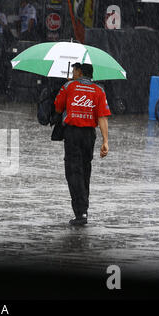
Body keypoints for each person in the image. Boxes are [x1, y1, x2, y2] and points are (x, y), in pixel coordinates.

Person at [54, 63, 110, 226]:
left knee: (73, 171)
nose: (72, 73)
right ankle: (84, 208)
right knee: (85, 170)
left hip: (72, 133)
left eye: (74, 71)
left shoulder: (68, 86)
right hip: (89, 136)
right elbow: (102, 117)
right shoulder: (99, 90)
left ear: (79, 72)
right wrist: (105, 141)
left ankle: (80, 212)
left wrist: (65, 89)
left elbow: (58, 108)